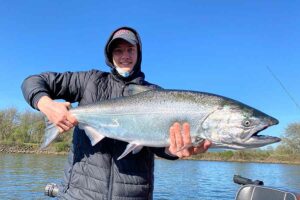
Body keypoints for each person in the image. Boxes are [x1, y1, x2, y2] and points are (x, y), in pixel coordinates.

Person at [21, 26, 211, 200]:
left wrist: (175, 151)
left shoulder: (156, 94)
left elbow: (160, 148)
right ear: (110, 55)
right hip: (79, 194)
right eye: (118, 50)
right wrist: (46, 104)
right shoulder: (89, 81)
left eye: (130, 49)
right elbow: (33, 81)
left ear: (139, 53)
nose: (125, 56)